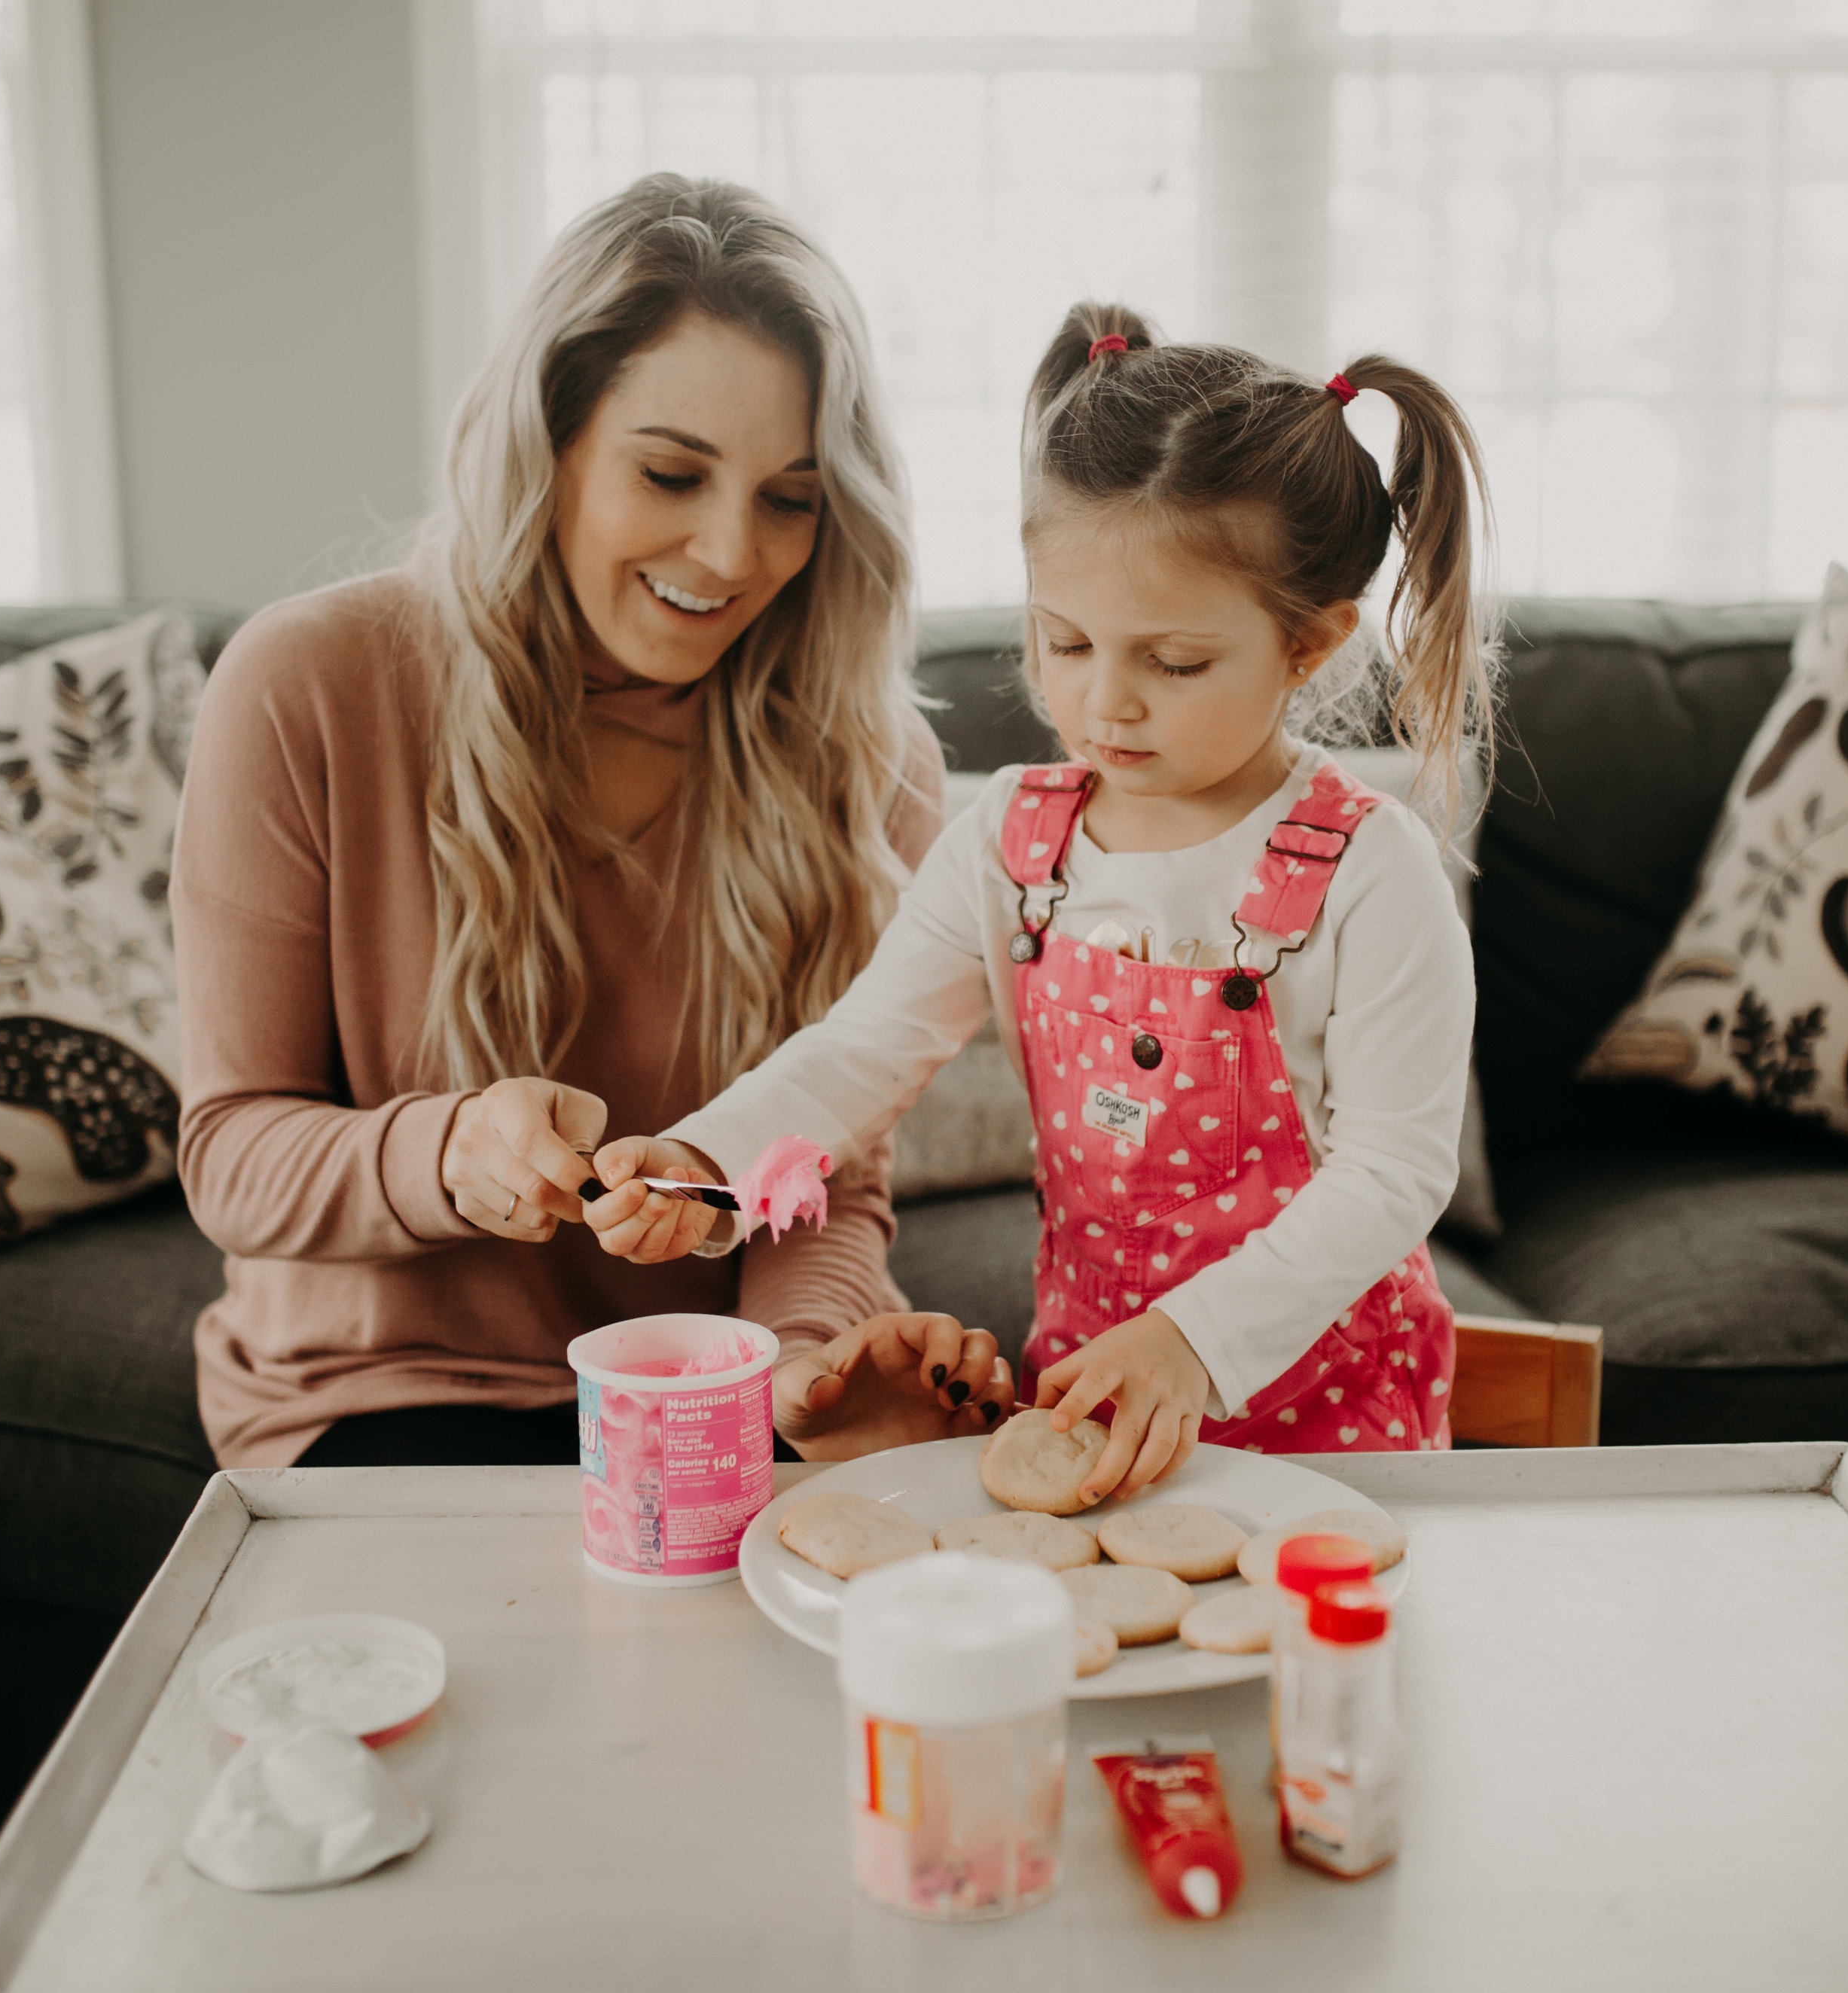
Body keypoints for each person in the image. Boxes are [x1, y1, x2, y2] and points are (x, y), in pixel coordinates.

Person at [588, 301, 1495, 1507]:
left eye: (1172, 664)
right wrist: (709, 1159)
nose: (1104, 705)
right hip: (1088, 1407)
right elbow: (868, 1048)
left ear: (1311, 646)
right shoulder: (1013, 840)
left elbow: (1392, 1172)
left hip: (1333, 1429)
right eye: (1064, 643)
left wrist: (1192, 1343)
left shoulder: (1373, 872)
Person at [172, 175, 1011, 1470]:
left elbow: (823, 1182)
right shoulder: (311, 687)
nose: (731, 554)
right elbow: (232, 1155)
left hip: (715, 1395)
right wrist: (447, 1154)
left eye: (789, 498)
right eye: (672, 473)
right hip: (389, 1391)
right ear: (548, 439)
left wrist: (801, 1363)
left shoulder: (867, 762)